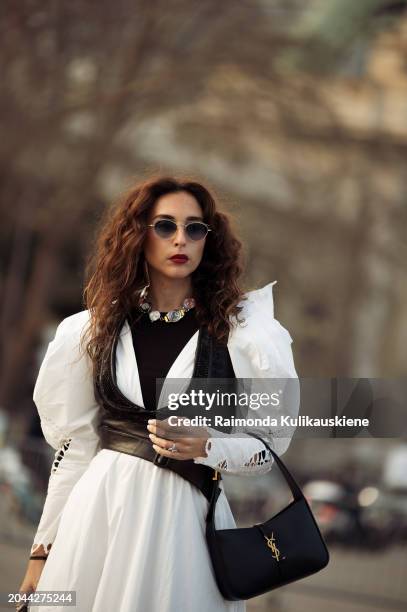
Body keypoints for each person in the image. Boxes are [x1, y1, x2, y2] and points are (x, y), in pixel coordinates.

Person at [17, 175, 300, 612]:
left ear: (210, 239)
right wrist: (41, 553)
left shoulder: (244, 331)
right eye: (165, 226)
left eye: (195, 228)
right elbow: (76, 450)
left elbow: (271, 446)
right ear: (138, 234)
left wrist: (208, 446)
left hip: (185, 530)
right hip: (98, 519)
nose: (180, 238)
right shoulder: (94, 329)